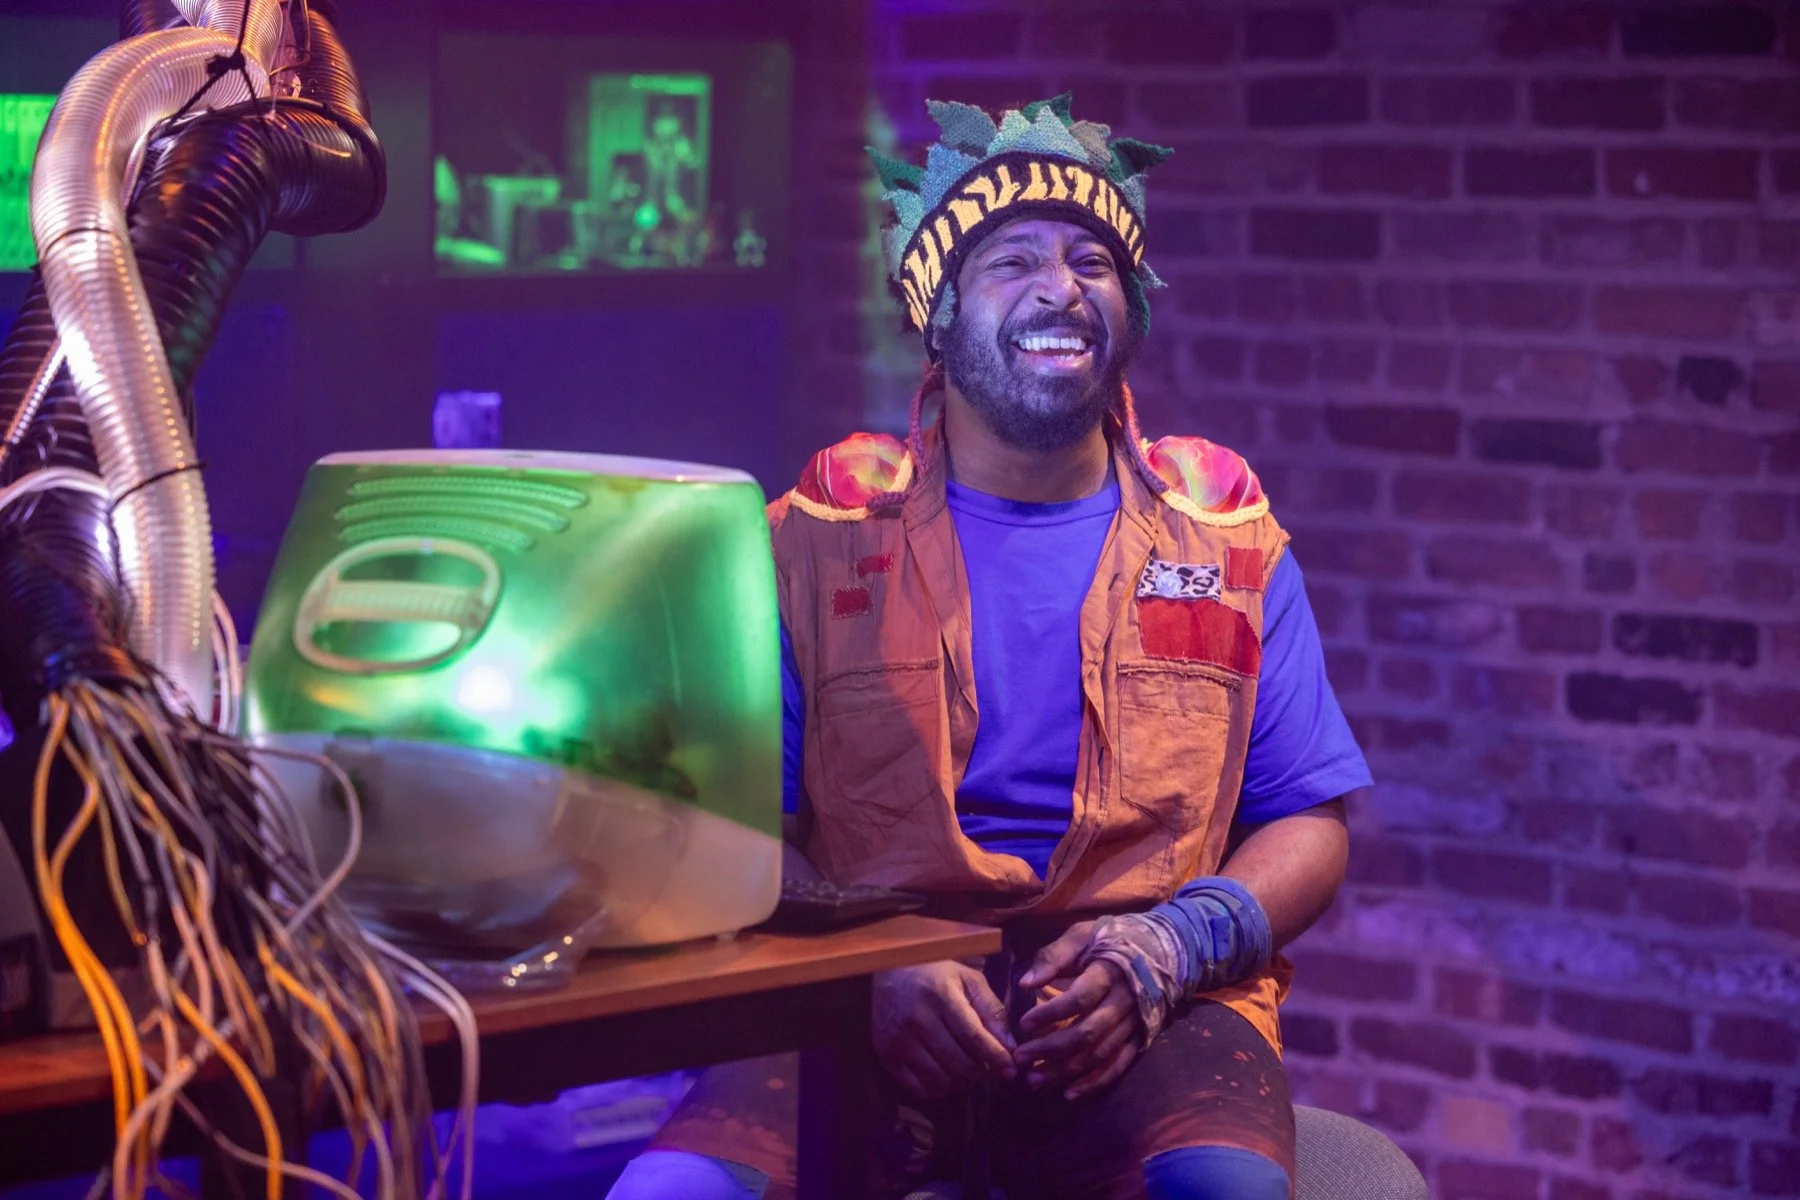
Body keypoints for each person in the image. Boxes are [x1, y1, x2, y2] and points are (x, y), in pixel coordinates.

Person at [608, 94, 1371, 1200]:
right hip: (862, 995)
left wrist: (1175, 947)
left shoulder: (1226, 537)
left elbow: (1308, 819)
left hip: (1153, 1009)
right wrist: (865, 968)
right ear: (938, 310)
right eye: (1012, 261)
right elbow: (730, 832)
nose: (1061, 288)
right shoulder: (815, 540)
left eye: (1093, 262)